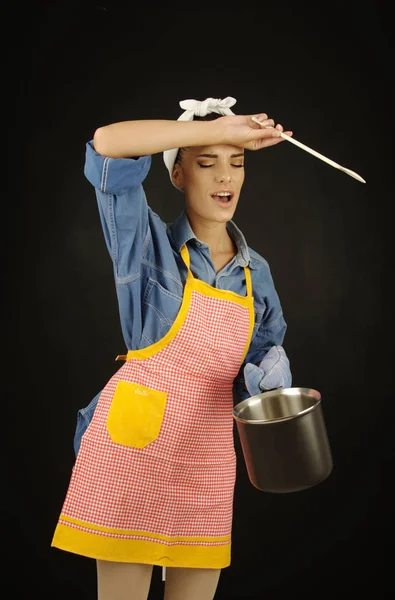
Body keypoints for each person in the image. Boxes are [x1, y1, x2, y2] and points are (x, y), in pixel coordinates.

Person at [51, 96, 293, 600]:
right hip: (134, 453)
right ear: (178, 173)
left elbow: (260, 355)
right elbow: (108, 145)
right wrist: (215, 128)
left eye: (237, 161)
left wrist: (266, 375)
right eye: (206, 163)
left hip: (205, 459)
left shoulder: (257, 274)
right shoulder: (146, 244)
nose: (225, 177)